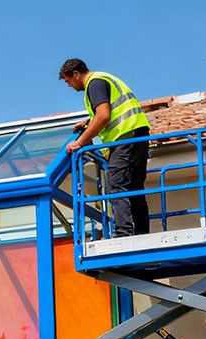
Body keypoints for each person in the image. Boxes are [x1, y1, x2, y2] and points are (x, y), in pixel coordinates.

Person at [59, 58, 152, 237]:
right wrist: (88, 122)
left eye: (68, 81)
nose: (69, 85)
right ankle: (141, 234)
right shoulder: (105, 78)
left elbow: (103, 116)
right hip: (138, 137)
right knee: (134, 189)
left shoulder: (94, 84)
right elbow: (110, 110)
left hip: (124, 139)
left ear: (76, 74)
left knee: (116, 185)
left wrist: (80, 141)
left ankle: (123, 234)